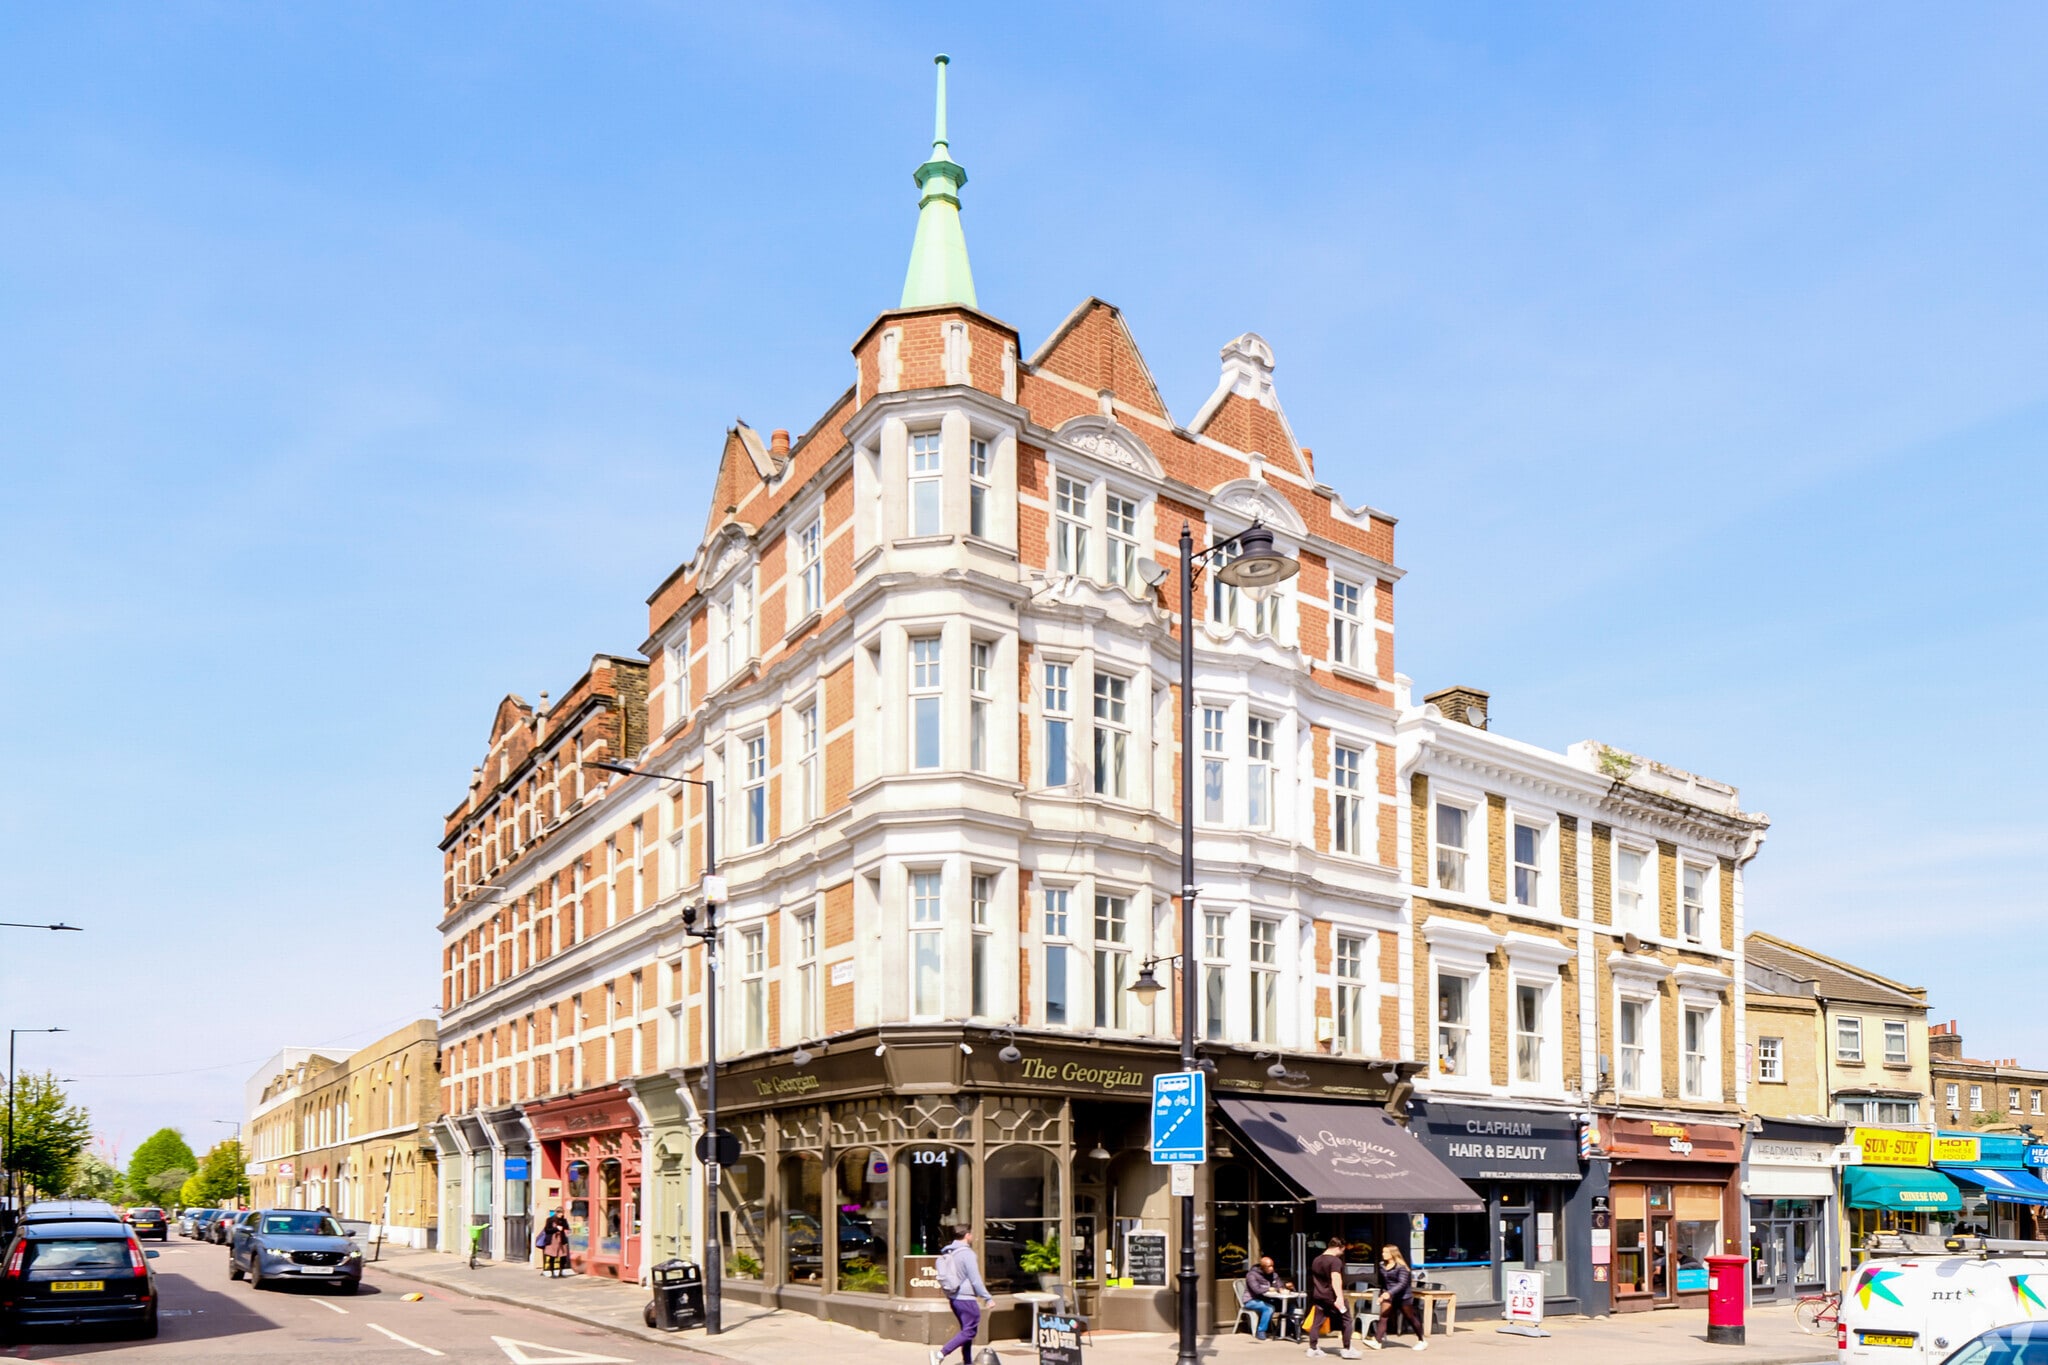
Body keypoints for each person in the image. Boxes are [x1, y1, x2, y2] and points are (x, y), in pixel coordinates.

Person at [930, 1224, 993, 1365]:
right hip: (966, 1299)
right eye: (972, 1234)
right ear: (967, 1235)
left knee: (966, 1332)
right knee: (969, 1332)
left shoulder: (949, 1251)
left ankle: (967, 1361)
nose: (973, 1236)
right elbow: (975, 1279)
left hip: (954, 1298)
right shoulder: (967, 1254)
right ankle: (940, 1354)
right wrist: (987, 1297)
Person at [1303, 1240, 1362, 1358]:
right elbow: (1336, 1279)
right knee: (1346, 1320)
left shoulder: (1316, 1260)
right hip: (1332, 1296)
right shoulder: (1335, 1261)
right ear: (1339, 1247)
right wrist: (1339, 1297)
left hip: (1319, 1295)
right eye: (1342, 1250)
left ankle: (1313, 1348)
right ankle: (1347, 1348)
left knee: (1317, 1322)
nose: (1342, 1253)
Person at [1371, 1245, 1424, 1351]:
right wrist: (1383, 1294)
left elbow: (1402, 1283)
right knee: (1383, 1317)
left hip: (1403, 1296)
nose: (1383, 1254)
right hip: (1389, 1295)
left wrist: (1389, 1293)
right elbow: (1384, 1283)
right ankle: (1377, 1342)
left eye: (1386, 1252)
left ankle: (1421, 1340)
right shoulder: (1382, 1265)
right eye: (1383, 1252)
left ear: (1393, 1254)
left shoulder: (1401, 1267)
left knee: (1410, 1318)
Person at [1245, 1255, 1284, 1341]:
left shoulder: (1274, 1275)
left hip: (1267, 1299)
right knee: (1269, 1308)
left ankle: (1284, 1330)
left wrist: (1281, 1288)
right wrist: (1269, 1288)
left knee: (1289, 1306)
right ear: (1262, 1267)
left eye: (1272, 1266)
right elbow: (1256, 1290)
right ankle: (1261, 1331)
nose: (1271, 1268)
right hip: (1251, 1300)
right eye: (1269, 1266)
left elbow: (1279, 1284)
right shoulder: (1251, 1275)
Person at [539, 1210, 571, 1277]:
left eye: (562, 1213)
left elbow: (567, 1228)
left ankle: (561, 1272)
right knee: (552, 1256)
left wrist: (563, 1225)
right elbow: (547, 1230)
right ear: (556, 1213)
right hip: (552, 1241)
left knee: (563, 1257)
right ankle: (552, 1272)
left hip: (561, 1241)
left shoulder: (563, 1220)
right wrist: (556, 1228)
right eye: (559, 1213)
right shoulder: (550, 1220)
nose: (561, 1214)